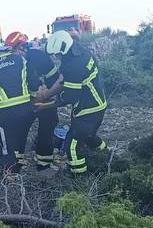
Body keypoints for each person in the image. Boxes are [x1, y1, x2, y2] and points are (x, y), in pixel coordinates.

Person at [46, 30, 108, 174]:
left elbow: (70, 96)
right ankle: (107, 155)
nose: (56, 56)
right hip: (97, 103)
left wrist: (54, 100)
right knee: (89, 136)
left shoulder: (73, 64)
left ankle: (78, 177)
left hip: (89, 108)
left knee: (72, 145)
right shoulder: (79, 50)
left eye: (58, 54)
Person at [7, 31, 62, 172]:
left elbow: (55, 79)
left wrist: (46, 95)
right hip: (26, 102)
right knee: (19, 129)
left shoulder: (39, 57)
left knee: (46, 130)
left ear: (22, 47)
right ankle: (16, 164)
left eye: (14, 50)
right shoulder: (12, 62)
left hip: (46, 99)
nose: (12, 54)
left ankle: (44, 165)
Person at [0, 37, 33, 173]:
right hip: (26, 109)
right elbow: (32, 79)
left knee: (4, 146)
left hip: (3, 113)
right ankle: (20, 167)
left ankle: (10, 175)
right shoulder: (19, 59)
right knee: (19, 138)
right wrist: (34, 95)